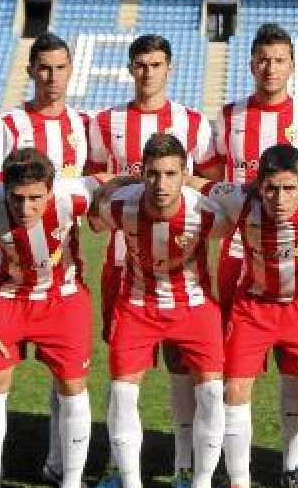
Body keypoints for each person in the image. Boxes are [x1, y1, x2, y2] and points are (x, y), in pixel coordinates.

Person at [87, 34, 220, 488]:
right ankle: (116, 467)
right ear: (130, 69)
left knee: (185, 369)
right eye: (140, 64)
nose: (148, 72)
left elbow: (211, 180)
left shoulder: (194, 123)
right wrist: (122, 183)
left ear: (170, 68)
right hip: (124, 265)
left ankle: (185, 466)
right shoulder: (105, 122)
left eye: (157, 64)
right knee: (124, 372)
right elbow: (92, 182)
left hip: (182, 263)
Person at [196, 144, 298, 488]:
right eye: (270, 188)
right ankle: (239, 480)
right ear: (257, 186)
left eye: (288, 189)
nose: (279, 199)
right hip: (253, 306)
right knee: (233, 390)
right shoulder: (240, 199)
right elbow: (196, 184)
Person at [211, 22, 298, 487]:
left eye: (279, 59)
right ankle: (234, 471)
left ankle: (292, 464)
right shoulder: (228, 116)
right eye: (262, 59)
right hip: (238, 258)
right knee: (233, 374)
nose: (270, 68)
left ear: (292, 66)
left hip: (296, 257)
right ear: (250, 63)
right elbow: (205, 180)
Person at [0, 32, 90, 484]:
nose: (52, 77)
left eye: (60, 68)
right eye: (44, 68)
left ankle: (60, 465)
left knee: (67, 382)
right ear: (30, 71)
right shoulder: (5, 124)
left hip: (63, 278)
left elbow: (89, 193)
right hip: (8, 280)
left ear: (70, 71)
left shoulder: (81, 125)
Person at [0, 149, 103, 488]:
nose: (26, 208)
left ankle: (71, 480)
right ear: (4, 190)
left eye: (36, 198)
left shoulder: (73, 195)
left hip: (63, 299)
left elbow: (108, 182)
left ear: (52, 191)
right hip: (8, 298)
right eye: (17, 198)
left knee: (73, 388)